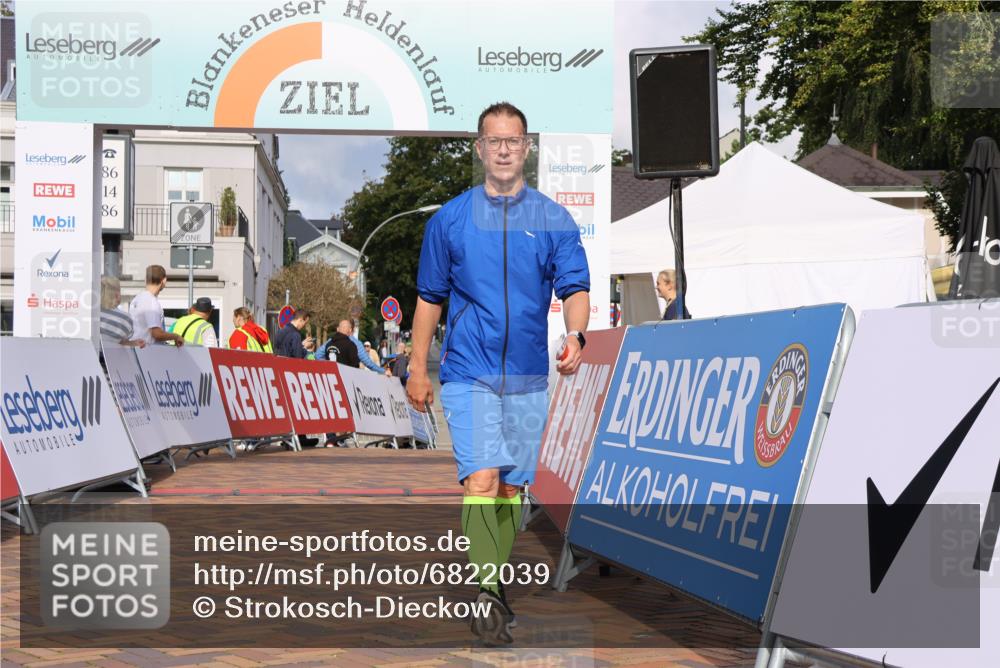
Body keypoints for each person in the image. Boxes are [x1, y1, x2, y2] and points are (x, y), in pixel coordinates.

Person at [407, 101, 590, 645]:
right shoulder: (451, 220)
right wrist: (418, 368)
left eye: (514, 140)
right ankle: (489, 590)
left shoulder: (553, 219)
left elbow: (575, 289)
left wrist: (576, 335)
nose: (505, 148)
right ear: (480, 148)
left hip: (529, 375)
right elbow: (428, 300)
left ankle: (491, 578)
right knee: (482, 478)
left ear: (526, 148)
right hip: (469, 370)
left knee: (511, 489)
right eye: (495, 140)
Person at [274, 309, 317, 447]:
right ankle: (298, 438)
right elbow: (297, 357)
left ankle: (288, 438)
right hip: (291, 375)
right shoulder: (295, 334)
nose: (304, 326)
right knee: (297, 408)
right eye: (305, 322)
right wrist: (306, 350)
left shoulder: (280, 331)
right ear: (301, 320)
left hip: (279, 373)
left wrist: (301, 346)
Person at [129, 265, 185, 347]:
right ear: (164, 280)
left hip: (136, 351)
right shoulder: (151, 302)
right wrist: (176, 336)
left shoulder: (136, 299)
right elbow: (157, 334)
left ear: (145, 280)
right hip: (149, 352)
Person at [100, 275, 145, 349]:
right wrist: (133, 343)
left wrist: (131, 343)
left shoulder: (90, 313)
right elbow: (116, 341)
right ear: (117, 295)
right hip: (108, 358)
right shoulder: (125, 319)